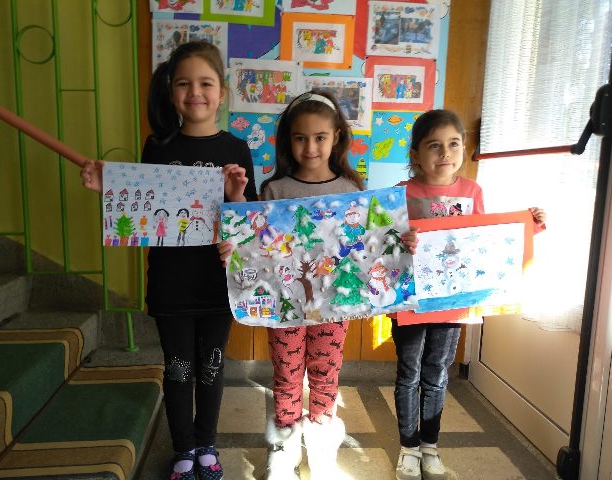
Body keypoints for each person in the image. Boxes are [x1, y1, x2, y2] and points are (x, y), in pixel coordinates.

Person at [80, 41, 257, 480]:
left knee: (211, 367)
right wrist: (108, 188)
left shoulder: (236, 148)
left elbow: (249, 224)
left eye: (205, 83)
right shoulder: (157, 146)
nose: (195, 92)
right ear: (172, 91)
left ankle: (207, 445)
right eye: (184, 83)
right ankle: (183, 448)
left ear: (222, 91)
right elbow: (142, 208)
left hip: (218, 285)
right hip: (170, 282)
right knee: (178, 369)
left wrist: (236, 196)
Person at [391, 109, 546, 480]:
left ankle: (430, 446)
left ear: (464, 148)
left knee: (437, 373)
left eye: (454, 144)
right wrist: (400, 240)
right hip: (410, 301)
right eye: (434, 145)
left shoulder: (472, 192)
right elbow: (382, 244)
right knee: (409, 373)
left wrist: (528, 227)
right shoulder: (401, 193)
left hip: (452, 302)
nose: (445, 153)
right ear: (416, 154)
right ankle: (408, 447)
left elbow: (484, 241)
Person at [218, 90, 365, 480]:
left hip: (334, 306)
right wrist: (235, 248)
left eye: (320, 137)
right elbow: (255, 246)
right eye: (300, 137)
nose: (310, 147)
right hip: (284, 305)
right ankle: (284, 444)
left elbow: (365, 246)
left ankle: (321, 444)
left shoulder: (352, 191)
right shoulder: (275, 190)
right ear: (288, 141)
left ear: (336, 138)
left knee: (325, 372)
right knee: (286, 372)